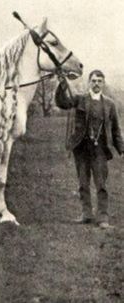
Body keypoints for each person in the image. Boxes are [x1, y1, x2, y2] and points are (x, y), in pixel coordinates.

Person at [55, 70, 124, 229]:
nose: (96, 83)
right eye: (93, 80)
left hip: (100, 149)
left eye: (100, 81)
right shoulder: (79, 99)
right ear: (89, 82)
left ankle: (103, 218)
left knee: (101, 184)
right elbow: (62, 103)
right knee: (83, 183)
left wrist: (122, 149)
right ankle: (86, 214)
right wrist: (62, 85)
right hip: (81, 148)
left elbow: (116, 130)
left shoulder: (109, 104)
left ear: (103, 83)